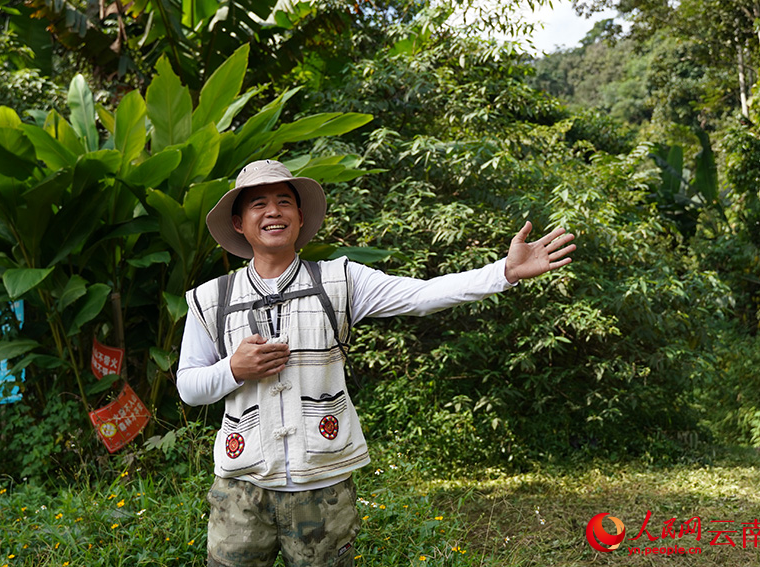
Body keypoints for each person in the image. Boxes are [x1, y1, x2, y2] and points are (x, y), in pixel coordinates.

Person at [176, 159, 576, 567]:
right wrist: (233, 369)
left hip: (324, 487)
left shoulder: (341, 280)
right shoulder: (211, 298)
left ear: (300, 218)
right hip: (241, 490)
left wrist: (503, 272)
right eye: (258, 203)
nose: (273, 211)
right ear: (240, 223)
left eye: (284, 201)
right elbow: (189, 388)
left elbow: (422, 295)